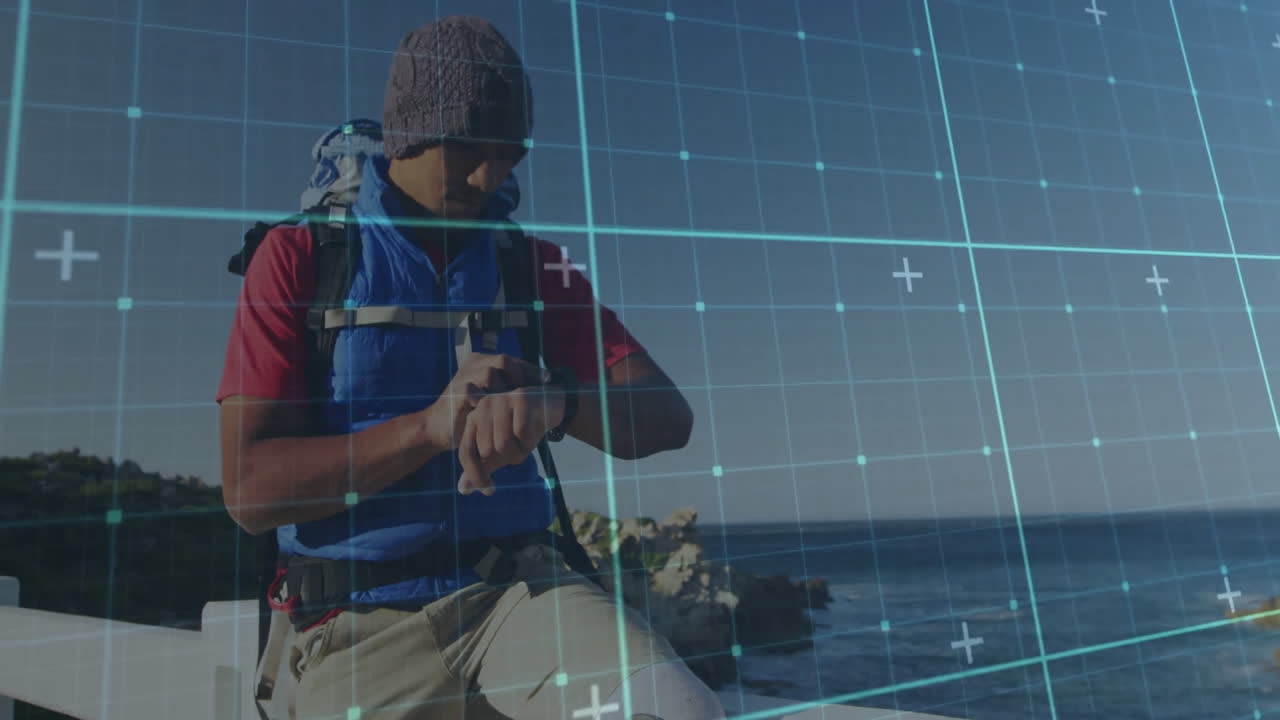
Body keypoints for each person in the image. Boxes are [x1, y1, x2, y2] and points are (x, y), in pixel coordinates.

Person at [216, 14, 726, 720]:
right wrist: (427, 430)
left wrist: (555, 402)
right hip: (356, 624)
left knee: (675, 708)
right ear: (409, 136)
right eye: (468, 149)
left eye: (510, 153)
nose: (492, 176)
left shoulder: (530, 262)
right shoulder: (300, 259)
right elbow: (250, 491)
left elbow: (668, 418)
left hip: (520, 595)